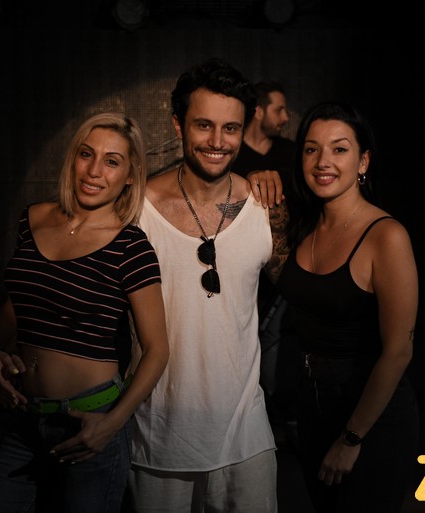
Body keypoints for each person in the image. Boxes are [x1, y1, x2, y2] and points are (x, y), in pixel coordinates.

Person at [0, 112, 170, 513]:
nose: (94, 171)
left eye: (112, 161)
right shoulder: (33, 218)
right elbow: (19, 302)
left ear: (130, 175)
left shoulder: (131, 246)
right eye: (86, 154)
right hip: (24, 415)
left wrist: (112, 424)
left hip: (90, 420)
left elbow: (156, 350)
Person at [126, 58, 289, 513]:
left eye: (230, 128)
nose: (218, 142)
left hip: (246, 436)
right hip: (157, 435)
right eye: (204, 125)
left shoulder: (265, 207)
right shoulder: (135, 208)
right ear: (178, 125)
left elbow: (311, 293)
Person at [273, 101, 420, 513]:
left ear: (363, 161)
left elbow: (399, 352)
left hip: (370, 417)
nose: (323, 161)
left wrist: (352, 438)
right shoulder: (302, 226)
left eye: (339, 149)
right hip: (311, 406)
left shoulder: (386, 236)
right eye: (311, 149)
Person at [230, 80, 299, 437]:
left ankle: (273, 416)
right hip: (238, 272)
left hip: (284, 269)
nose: (286, 118)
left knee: (274, 340)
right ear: (257, 111)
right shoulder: (233, 155)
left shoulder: (291, 153)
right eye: (279, 109)